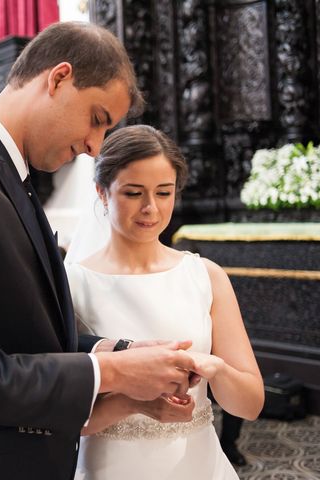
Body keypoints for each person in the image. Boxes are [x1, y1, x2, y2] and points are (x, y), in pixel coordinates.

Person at [0, 21, 199, 480]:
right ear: (59, 78)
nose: (94, 147)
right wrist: (114, 374)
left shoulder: (10, 177)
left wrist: (118, 350)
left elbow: (23, 337)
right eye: (97, 119)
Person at [65, 125, 264, 479]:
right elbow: (60, 416)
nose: (150, 208)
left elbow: (250, 405)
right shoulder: (73, 283)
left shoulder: (205, 275)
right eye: (133, 193)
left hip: (198, 464)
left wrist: (217, 370)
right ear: (102, 192)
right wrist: (128, 402)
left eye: (163, 192)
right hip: (111, 468)